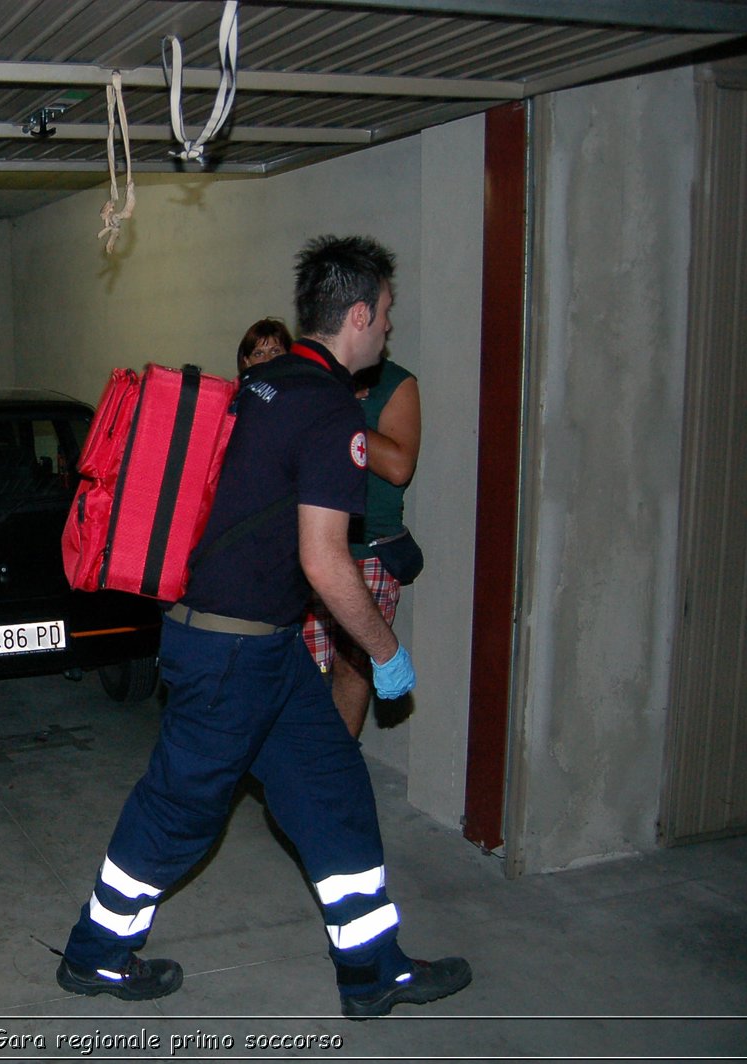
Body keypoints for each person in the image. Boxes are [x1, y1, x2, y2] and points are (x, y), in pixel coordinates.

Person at [55, 235, 469, 1020]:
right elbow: (325, 558)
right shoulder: (328, 407)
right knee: (180, 809)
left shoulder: (265, 382)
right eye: (385, 315)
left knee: (332, 788)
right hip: (229, 652)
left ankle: (371, 967)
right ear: (355, 314)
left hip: (264, 648)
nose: (387, 330)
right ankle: (96, 952)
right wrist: (385, 651)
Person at [302, 353, 422, 736]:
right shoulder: (314, 375)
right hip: (310, 544)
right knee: (297, 666)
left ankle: (336, 767)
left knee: (353, 666)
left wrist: (342, 415)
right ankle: (301, 770)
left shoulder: (397, 383)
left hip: (369, 548)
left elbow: (399, 467)